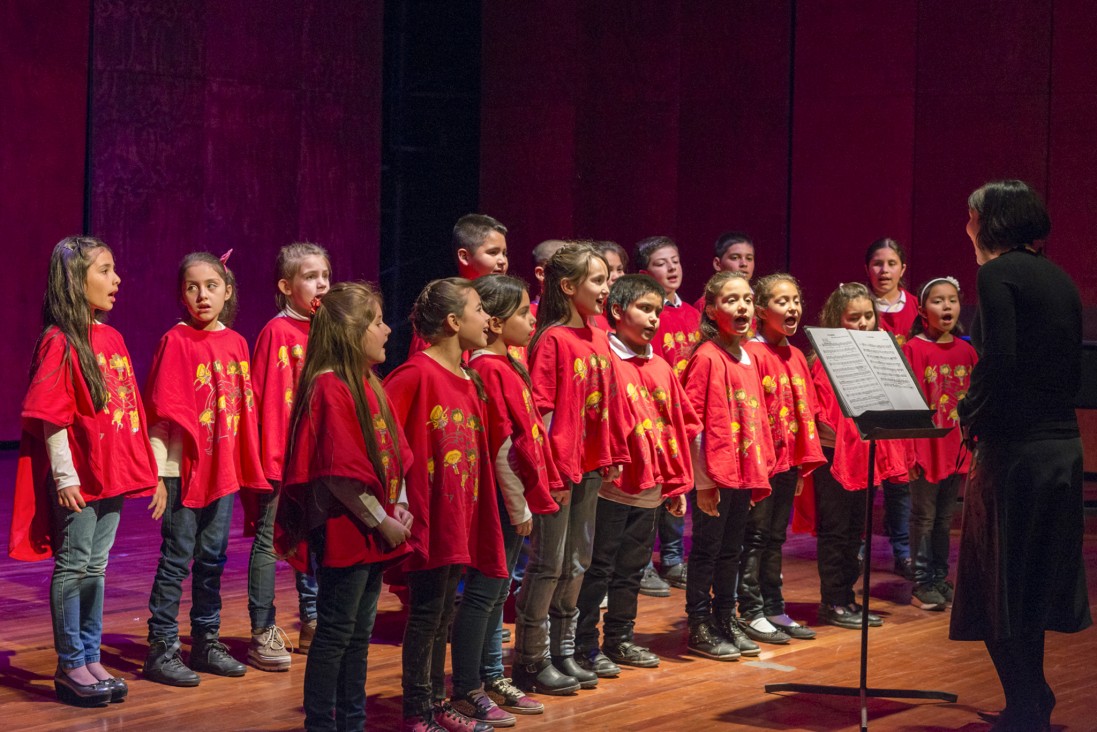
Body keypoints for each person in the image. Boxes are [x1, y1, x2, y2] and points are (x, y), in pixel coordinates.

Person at [952, 180, 1090, 732]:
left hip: (1017, 452)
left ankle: (1030, 700)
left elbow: (999, 359)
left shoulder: (996, 273)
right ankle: (1028, 705)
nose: (966, 224)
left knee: (995, 582)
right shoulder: (1058, 276)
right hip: (1061, 447)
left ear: (990, 220)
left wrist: (970, 414)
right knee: (1028, 584)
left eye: (971, 215)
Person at [9, 236, 161, 706]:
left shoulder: (110, 337)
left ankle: (90, 654)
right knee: (74, 566)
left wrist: (149, 471)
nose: (116, 280)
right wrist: (65, 476)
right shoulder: (60, 340)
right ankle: (71, 661)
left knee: (96, 566)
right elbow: (50, 415)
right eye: (105, 270)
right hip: (81, 479)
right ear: (76, 280)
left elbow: (128, 410)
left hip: (111, 473)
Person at [273, 282, 413, 731]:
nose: (388, 330)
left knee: (358, 634)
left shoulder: (368, 381)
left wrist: (401, 504)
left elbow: (395, 453)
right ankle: (321, 723)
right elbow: (337, 472)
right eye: (376, 322)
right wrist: (381, 518)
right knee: (335, 632)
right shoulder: (329, 387)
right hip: (346, 527)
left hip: (374, 525)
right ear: (351, 332)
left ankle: (352, 721)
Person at [143, 252, 270, 686]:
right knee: (176, 558)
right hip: (183, 472)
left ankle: (205, 642)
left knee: (212, 559)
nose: (202, 295)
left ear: (227, 291)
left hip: (222, 472)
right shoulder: (174, 341)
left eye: (211, 286)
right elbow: (160, 415)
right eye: (192, 287)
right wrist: (161, 474)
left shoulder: (236, 342)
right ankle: (161, 648)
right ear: (182, 294)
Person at [384, 278, 506, 732]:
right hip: (428, 517)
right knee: (426, 614)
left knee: (441, 615)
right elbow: (387, 441)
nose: (486, 319)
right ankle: (418, 710)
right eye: (478, 309)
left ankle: (437, 704)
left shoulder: (468, 378)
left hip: (460, 516)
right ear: (454, 322)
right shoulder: (415, 374)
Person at [512, 242, 630, 696]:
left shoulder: (599, 335)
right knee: (548, 564)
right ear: (567, 286)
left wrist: (614, 452)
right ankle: (531, 658)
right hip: (561, 471)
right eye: (597, 280)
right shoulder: (553, 339)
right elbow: (540, 413)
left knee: (578, 561)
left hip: (590, 467)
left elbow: (609, 404)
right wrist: (549, 475)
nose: (605, 289)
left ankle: (564, 651)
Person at [574, 274, 701, 676]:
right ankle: (583, 645)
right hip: (612, 488)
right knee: (599, 569)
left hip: (651, 488)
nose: (653, 319)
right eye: (644, 309)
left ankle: (620, 639)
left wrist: (677, 482)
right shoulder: (605, 360)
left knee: (632, 568)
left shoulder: (661, 365)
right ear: (616, 311)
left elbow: (677, 426)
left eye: (657, 311)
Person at [453, 275, 561, 725]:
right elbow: (501, 446)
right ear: (494, 323)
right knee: (483, 594)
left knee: (498, 594)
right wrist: (518, 508)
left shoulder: (508, 363)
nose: (531, 318)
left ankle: (491, 675)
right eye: (521, 313)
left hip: (511, 499)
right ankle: (466, 688)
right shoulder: (490, 368)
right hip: (498, 502)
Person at [681, 271, 775, 660]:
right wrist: (704, 483)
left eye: (748, 299)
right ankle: (699, 624)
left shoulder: (749, 356)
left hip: (741, 471)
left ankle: (725, 616)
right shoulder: (706, 357)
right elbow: (696, 425)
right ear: (712, 309)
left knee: (732, 549)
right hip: (715, 476)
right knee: (707, 549)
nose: (742, 307)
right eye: (731, 300)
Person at [245, 242, 329, 671]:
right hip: (281, 457)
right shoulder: (276, 332)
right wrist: (265, 458)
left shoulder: (328, 329)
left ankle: (313, 620)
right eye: (311, 276)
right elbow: (262, 399)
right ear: (285, 286)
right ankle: (263, 629)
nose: (321, 284)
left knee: (317, 539)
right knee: (271, 539)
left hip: (320, 457)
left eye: (325, 277)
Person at [806, 283, 909, 630]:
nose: (864, 322)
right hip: (836, 455)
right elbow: (821, 410)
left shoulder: (880, 355)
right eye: (854, 317)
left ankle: (848, 597)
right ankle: (832, 601)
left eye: (868, 316)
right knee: (836, 529)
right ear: (837, 320)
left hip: (867, 452)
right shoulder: (823, 360)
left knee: (856, 530)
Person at [738, 273, 826, 644]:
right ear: (761, 310)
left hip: (787, 463)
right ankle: (750, 609)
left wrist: (801, 462)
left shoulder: (795, 355)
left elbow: (802, 410)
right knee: (755, 537)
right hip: (762, 464)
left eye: (796, 300)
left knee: (775, 537)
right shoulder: (752, 354)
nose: (792, 308)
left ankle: (774, 605)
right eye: (782, 301)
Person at [901, 276, 976, 611]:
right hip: (925, 448)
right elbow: (908, 406)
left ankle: (940, 576)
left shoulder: (967, 350)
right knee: (924, 515)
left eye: (952, 300)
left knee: (946, 518)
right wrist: (910, 452)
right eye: (938, 300)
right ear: (921, 309)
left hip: (956, 446)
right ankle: (921, 582)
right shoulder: (913, 349)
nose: (946, 306)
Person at [634, 236, 700, 597]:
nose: (672, 268)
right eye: (662, 263)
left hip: (683, 415)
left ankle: (674, 559)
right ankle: (644, 562)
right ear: (645, 272)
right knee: (653, 490)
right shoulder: (647, 315)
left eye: (675, 260)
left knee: (679, 486)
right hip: (654, 414)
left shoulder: (691, 313)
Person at [863, 238, 915, 577]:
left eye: (891, 263)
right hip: (867, 401)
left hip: (904, 405)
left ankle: (904, 551)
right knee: (863, 482)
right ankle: (857, 548)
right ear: (868, 269)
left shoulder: (916, 307)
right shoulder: (860, 303)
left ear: (902, 269)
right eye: (878, 264)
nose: (884, 270)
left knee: (900, 482)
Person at [407, 215, 510, 358]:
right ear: (464, 256)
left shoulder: (505, 305)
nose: (502, 261)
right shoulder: (445, 305)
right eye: (493, 252)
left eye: (504, 254)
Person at [692, 231, 756, 312]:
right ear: (717, 264)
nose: (744, 264)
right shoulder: (704, 304)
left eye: (749, 258)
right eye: (735, 257)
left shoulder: (760, 302)